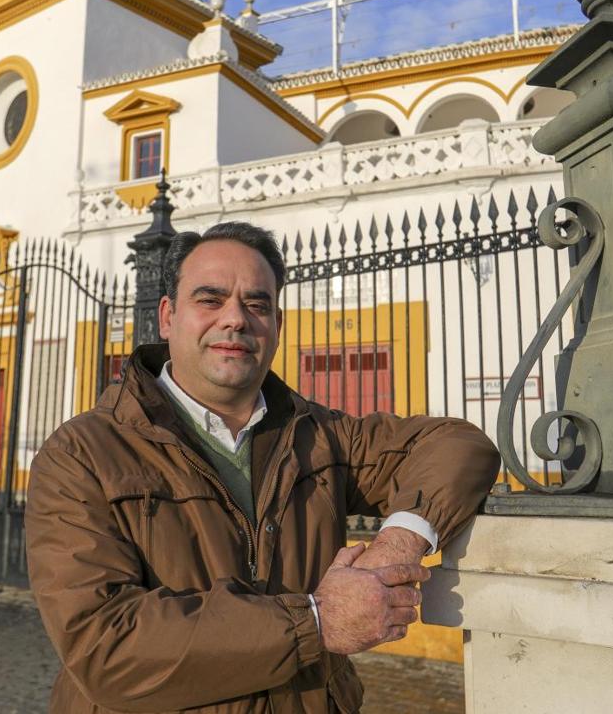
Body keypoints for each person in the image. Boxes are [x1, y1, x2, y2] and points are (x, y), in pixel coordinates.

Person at [26, 221, 501, 713]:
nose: (235, 319)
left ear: (277, 324)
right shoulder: (81, 455)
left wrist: (398, 543)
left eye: (256, 304)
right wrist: (316, 620)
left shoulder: (318, 435)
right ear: (167, 317)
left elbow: (458, 445)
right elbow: (107, 649)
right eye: (210, 299)